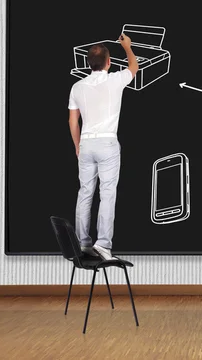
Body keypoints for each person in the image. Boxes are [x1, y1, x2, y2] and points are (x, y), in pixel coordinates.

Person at [68, 33, 139, 260]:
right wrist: (127, 47)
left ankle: (82, 244)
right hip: (108, 143)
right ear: (108, 63)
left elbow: (72, 121)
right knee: (107, 194)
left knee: (85, 193)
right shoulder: (115, 79)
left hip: (87, 143)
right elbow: (134, 68)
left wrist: (78, 146)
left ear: (90, 63)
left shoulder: (77, 87)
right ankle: (103, 246)